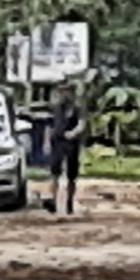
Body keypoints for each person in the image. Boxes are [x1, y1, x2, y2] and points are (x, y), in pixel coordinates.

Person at [43, 81, 85, 214]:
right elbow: (49, 126)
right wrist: (47, 142)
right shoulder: (55, 108)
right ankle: (53, 202)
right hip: (57, 141)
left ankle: (69, 203)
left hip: (72, 143)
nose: (64, 93)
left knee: (71, 175)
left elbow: (82, 123)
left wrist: (74, 133)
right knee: (54, 173)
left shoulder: (77, 108)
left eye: (66, 91)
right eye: (61, 91)